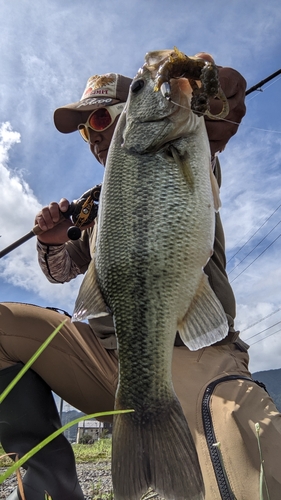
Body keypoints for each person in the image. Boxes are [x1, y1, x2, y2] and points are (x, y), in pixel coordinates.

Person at [0, 55, 280, 500]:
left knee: (251, 468)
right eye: (83, 130)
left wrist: (198, 83)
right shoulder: (91, 211)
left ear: (129, 112)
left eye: (96, 118)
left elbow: (224, 101)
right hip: (111, 359)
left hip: (193, 350)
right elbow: (58, 274)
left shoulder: (185, 139)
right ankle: (50, 489)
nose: (91, 136)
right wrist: (53, 241)